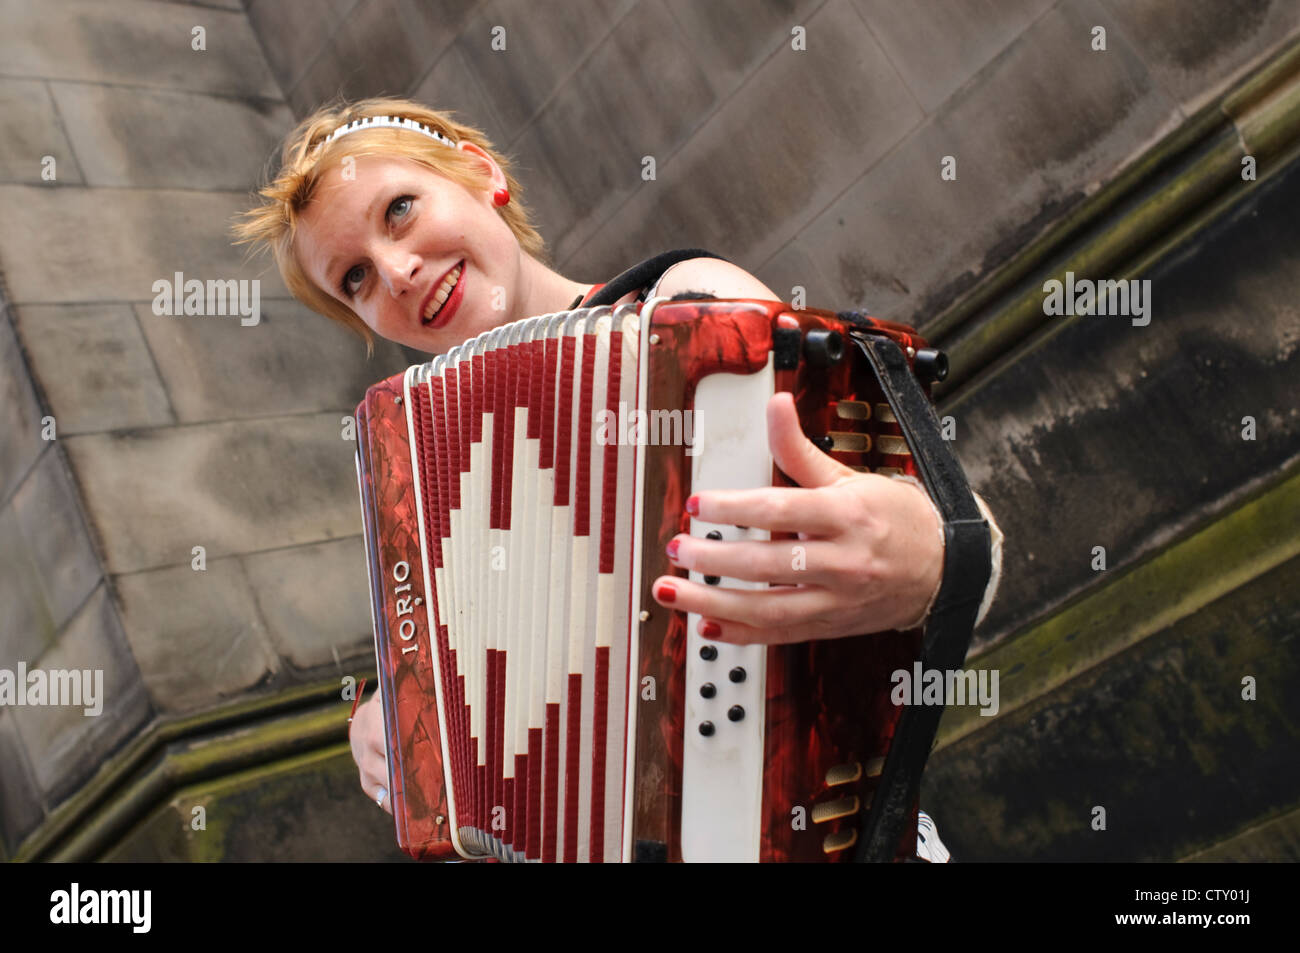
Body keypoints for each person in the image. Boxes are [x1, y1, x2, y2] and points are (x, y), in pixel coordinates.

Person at [236, 97, 1003, 860]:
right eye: (355, 279)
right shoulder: (431, 466)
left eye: (399, 210)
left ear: (481, 174)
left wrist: (931, 553)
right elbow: (464, 678)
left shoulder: (679, 310)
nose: (396, 273)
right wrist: (387, 725)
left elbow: (916, 516)